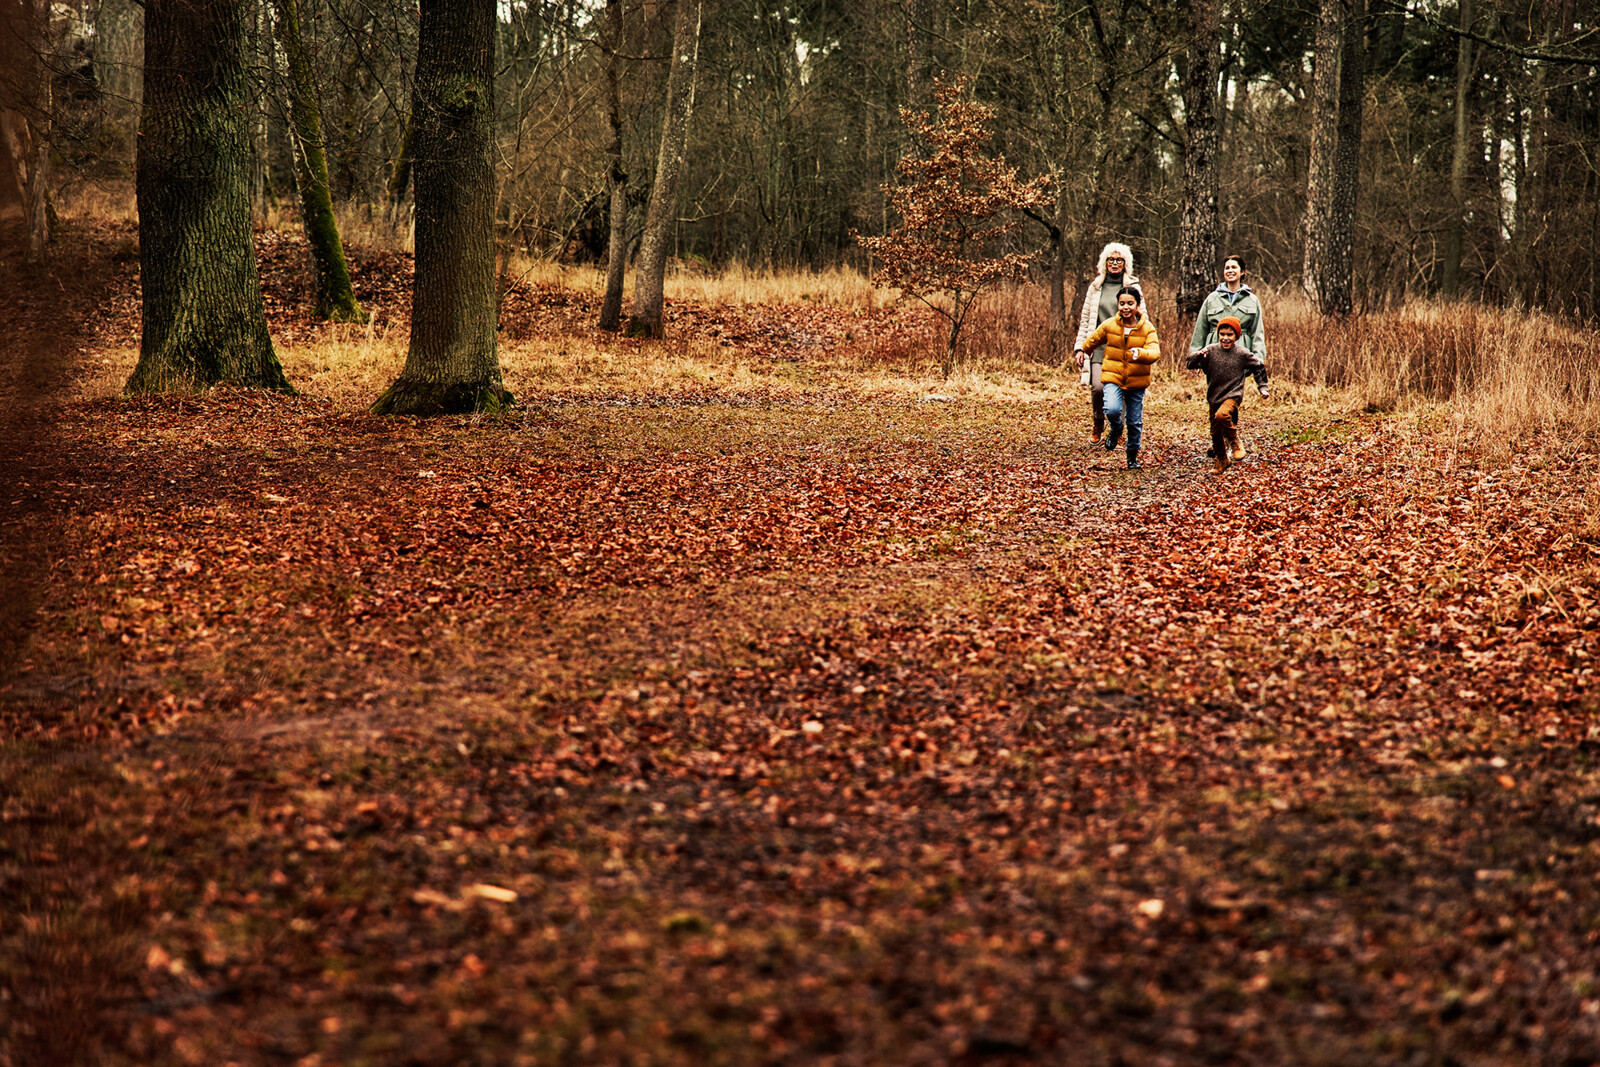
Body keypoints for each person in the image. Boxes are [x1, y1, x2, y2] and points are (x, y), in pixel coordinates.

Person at [1190, 254, 1267, 455]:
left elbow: (1258, 331)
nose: (1230, 270)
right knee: (1215, 396)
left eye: (1234, 267)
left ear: (1242, 272)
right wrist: (1196, 356)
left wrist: (1258, 358)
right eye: (1226, 268)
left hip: (1240, 356)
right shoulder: (1212, 299)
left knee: (1232, 396)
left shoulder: (1252, 300)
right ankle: (1219, 442)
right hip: (1213, 357)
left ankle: (1228, 440)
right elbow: (1201, 328)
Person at [1077, 285, 1161, 470]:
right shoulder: (1109, 325)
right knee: (1112, 410)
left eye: (1130, 303)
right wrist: (1083, 351)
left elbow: (1155, 352)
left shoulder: (1147, 329)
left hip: (1137, 381)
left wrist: (1141, 353)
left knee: (1134, 421)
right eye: (1122, 303)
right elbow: (1093, 340)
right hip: (1113, 375)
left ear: (1138, 305)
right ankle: (1115, 428)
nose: (1125, 307)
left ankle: (1132, 457)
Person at [1073, 242, 1142, 443]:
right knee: (1098, 388)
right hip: (1099, 346)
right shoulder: (1095, 287)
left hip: (1125, 346)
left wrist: (1141, 345)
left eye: (1119, 260)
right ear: (1104, 262)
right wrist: (1080, 348)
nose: (1114, 263)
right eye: (1111, 259)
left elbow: (1142, 316)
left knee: (1123, 388)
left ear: (1125, 263)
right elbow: (1085, 319)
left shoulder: (1133, 287)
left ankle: (1118, 430)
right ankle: (1098, 422)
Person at [1186, 316, 1268, 474]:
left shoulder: (1242, 353)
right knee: (1215, 434)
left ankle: (1234, 441)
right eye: (1222, 334)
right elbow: (1189, 363)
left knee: (1222, 415)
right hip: (1214, 396)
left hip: (1233, 395)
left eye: (1229, 335)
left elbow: (1258, 366)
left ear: (1236, 336)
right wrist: (1198, 355)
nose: (1225, 338)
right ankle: (1222, 460)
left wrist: (1263, 387)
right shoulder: (1210, 350)